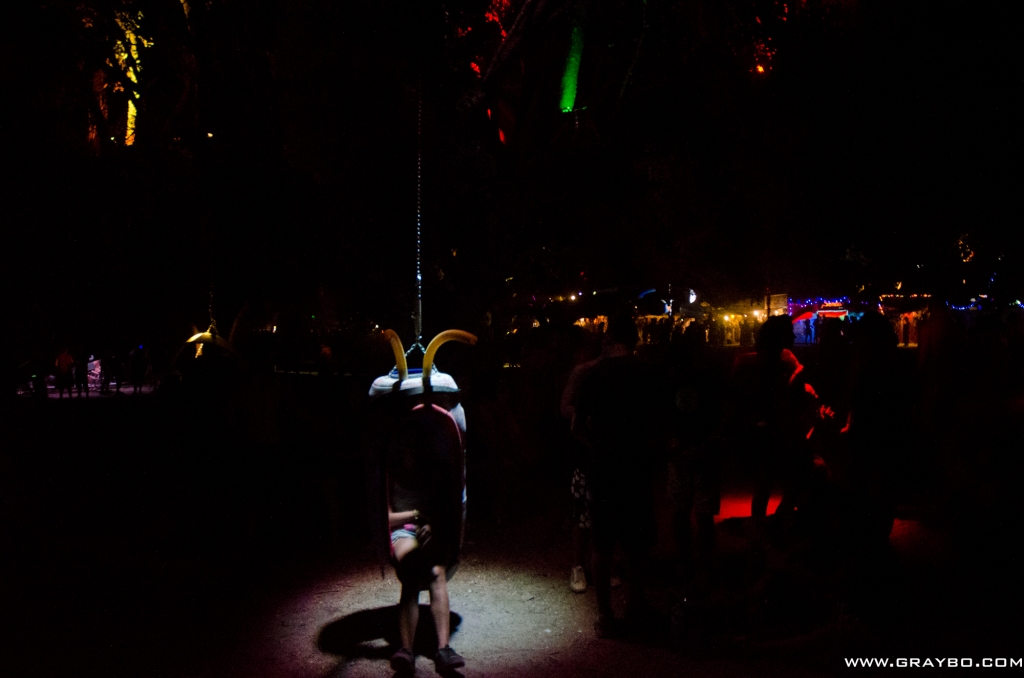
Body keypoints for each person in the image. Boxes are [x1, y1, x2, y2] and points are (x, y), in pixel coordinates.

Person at [573, 313, 661, 637]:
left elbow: (576, 426)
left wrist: (598, 447)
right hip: (636, 467)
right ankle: (636, 605)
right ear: (635, 339)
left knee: (602, 543)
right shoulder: (647, 372)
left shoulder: (592, 375)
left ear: (609, 339)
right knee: (636, 542)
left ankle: (605, 615)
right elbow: (657, 422)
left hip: (603, 469)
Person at [386, 412, 466, 675]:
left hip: (430, 530)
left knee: (436, 572)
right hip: (403, 531)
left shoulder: (435, 473)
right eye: (407, 446)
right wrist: (416, 515)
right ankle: (406, 650)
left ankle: (444, 649)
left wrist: (432, 527)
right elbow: (386, 518)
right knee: (412, 570)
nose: (411, 451)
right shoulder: (391, 474)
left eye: (416, 446)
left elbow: (446, 511)